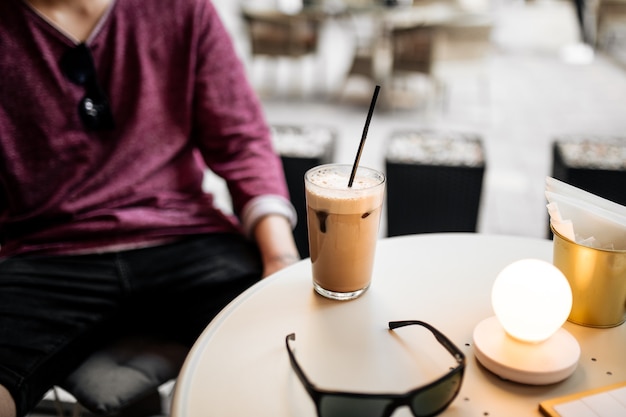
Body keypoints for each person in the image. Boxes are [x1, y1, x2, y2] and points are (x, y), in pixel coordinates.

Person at [0, 0, 301, 416]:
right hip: (45, 253)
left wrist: (281, 259)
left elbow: (241, 140)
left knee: (289, 348)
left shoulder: (183, 9)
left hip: (186, 238)